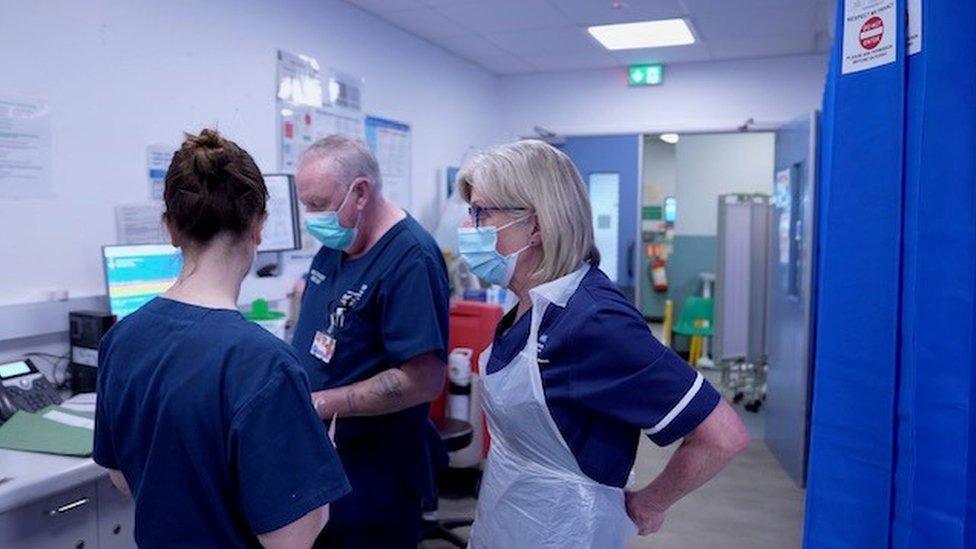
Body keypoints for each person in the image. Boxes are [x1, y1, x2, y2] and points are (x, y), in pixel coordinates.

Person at [457, 140, 751, 548]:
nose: (467, 228)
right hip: (507, 517)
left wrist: (651, 503)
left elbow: (721, 436)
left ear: (537, 225)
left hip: (566, 533)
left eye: (480, 213)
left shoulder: (594, 320)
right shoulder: (530, 303)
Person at [93, 129, 350, 548]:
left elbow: (121, 476)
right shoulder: (265, 364)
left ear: (171, 229)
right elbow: (291, 541)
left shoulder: (122, 338)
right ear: (259, 226)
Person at [291, 135, 450, 548]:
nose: (311, 217)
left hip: (375, 475)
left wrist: (318, 404)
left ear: (360, 192)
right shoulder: (336, 244)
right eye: (305, 203)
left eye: (318, 204)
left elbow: (424, 380)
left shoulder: (410, 258)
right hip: (326, 462)